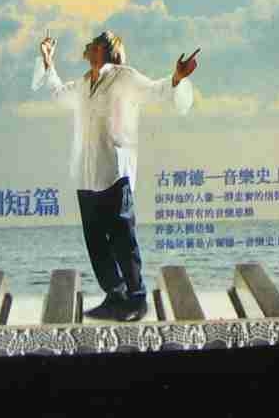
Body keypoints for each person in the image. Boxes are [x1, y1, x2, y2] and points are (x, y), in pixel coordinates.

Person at [32, 31, 199, 323]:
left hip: (114, 172)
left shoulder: (123, 77)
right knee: (96, 243)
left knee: (123, 240)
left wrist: (177, 77)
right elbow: (58, 93)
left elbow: (155, 90)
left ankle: (137, 299)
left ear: (104, 49)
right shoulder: (84, 83)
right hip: (86, 174)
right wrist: (48, 61)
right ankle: (115, 296)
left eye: (94, 43)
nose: (88, 46)